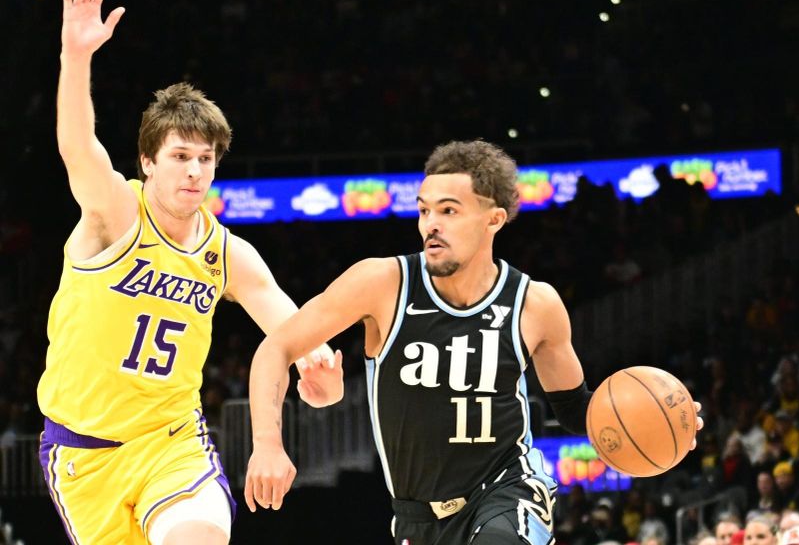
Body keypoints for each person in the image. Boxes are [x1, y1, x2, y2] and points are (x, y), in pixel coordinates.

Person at [244, 140, 703, 544]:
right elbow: (275, 349)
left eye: (449, 210)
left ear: (494, 219)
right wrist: (267, 442)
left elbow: (575, 409)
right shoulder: (381, 283)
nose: (430, 225)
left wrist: (652, 418)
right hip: (416, 516)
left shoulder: (535, 305)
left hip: (508, 491)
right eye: (424, 210)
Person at [36, 0, 343, 545]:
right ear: (148, 162)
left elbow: (297, 337)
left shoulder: (230, 254)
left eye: (206, 159)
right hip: (82, 454)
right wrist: (75, 59)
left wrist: (322, 375)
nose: (195, 170)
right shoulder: (115, 215)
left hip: (171, 441)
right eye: (180, 156)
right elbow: (78, 147)